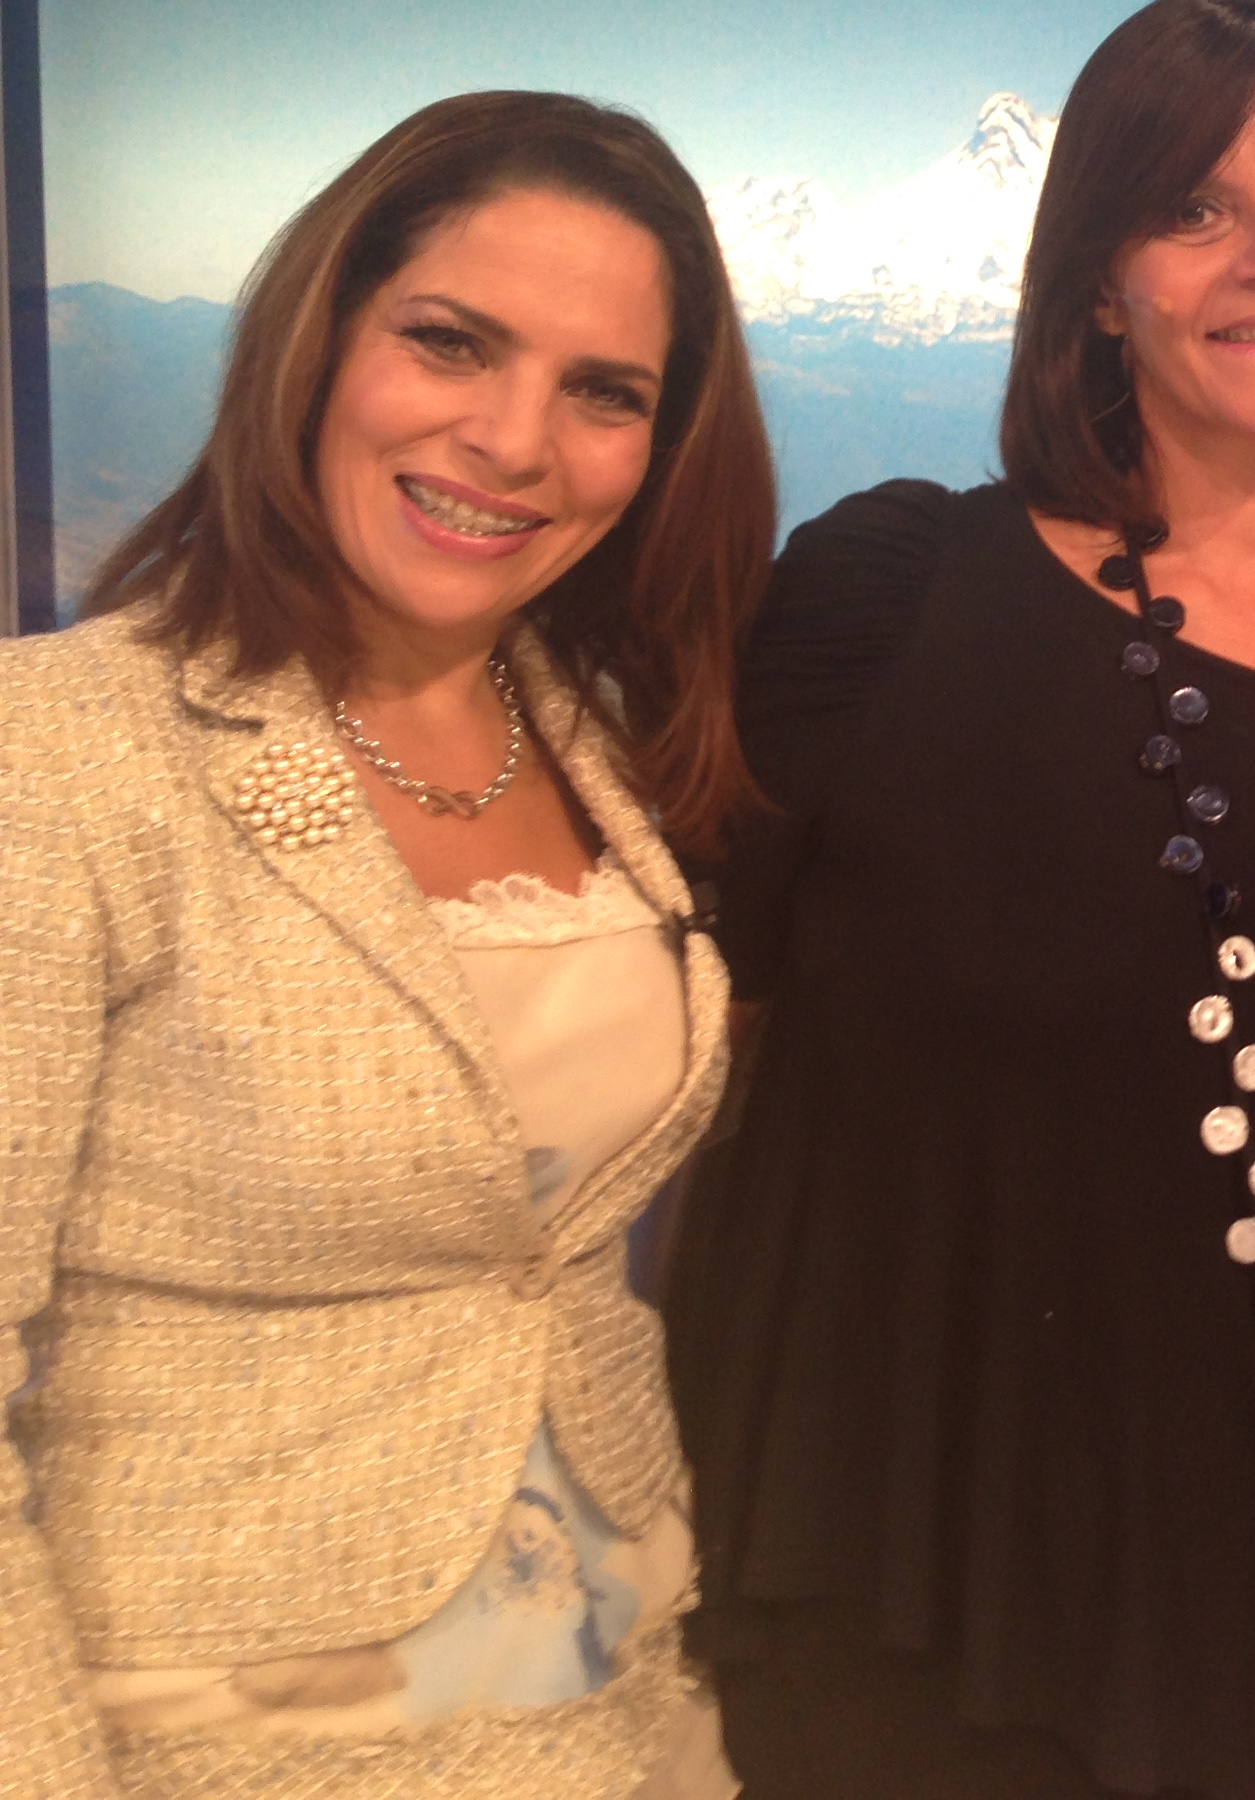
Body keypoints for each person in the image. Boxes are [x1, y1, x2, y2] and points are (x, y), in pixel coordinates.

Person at [662, 0, 1255, 1800]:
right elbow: (697, 1082)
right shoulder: (891, 615)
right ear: (1101, 282)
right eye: (1193, 206)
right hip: (929, 1639)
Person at [0, 91, 779, 1800]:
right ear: (320, 342)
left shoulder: (603, 741)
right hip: (228, 1736)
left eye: (604, 393)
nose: (514, 440)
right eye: (451, 343)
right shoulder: (56, 754)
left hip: (632, 1692)